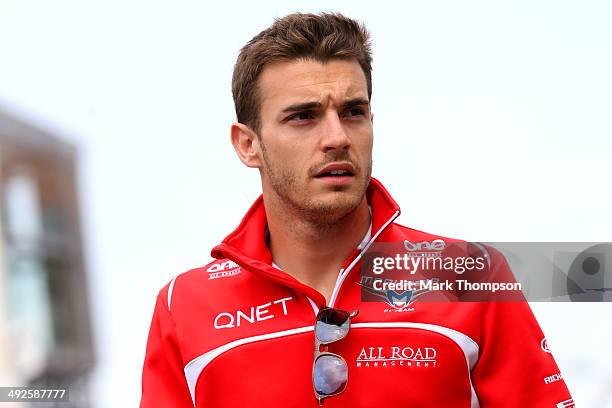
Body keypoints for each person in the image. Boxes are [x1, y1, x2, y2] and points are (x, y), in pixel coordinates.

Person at [140, 12, 574, 407]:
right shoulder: (183, 305)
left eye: (353, 112)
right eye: (303, 117)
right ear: (247, 144)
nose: (336, 137)